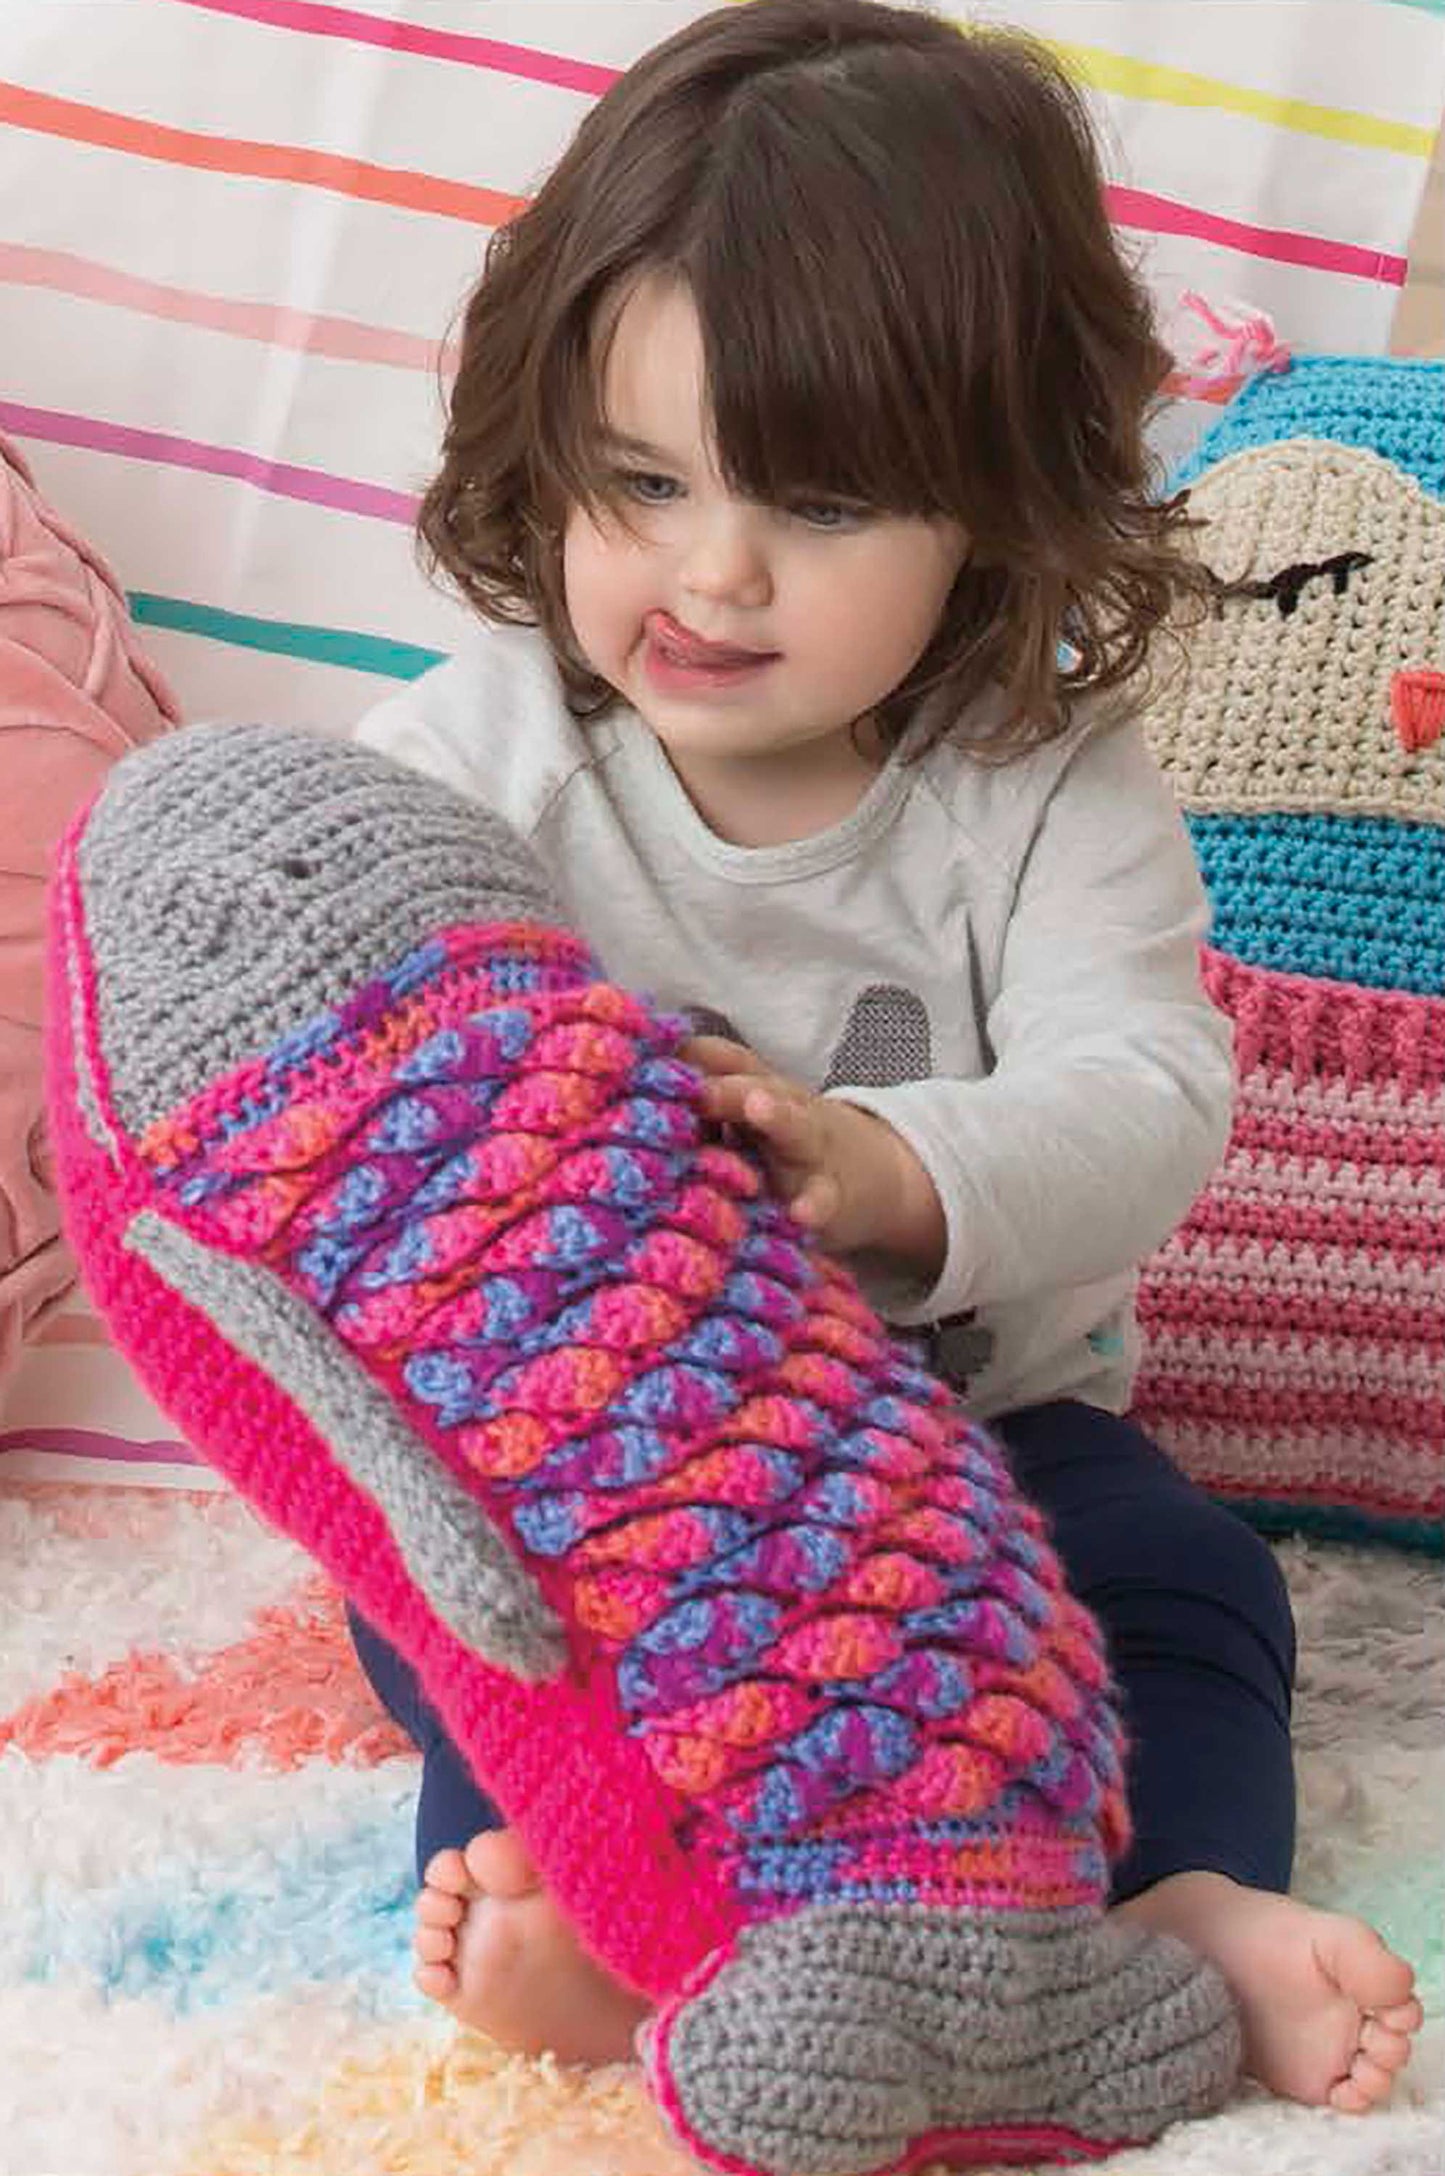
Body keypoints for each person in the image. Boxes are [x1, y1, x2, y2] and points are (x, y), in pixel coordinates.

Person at [349, 0, 1421, 2113]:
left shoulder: (1033, 777)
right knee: (469, 1612)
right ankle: (609, 1912)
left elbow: (1151, 1095)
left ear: (993, 515)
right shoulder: (469, 765)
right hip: (613, 1479)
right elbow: (367, 1096)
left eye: (821, 503)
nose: (712, 569)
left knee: (1187, 1587)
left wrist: (887, 1164)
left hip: (992, 1446)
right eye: (641, 481)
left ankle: (1179, 1897)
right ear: (538, 442)